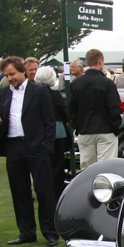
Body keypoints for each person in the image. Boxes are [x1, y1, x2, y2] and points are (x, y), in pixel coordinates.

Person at [0, 56, 57, 246]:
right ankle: (26, 232)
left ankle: (50, 232)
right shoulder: (4, 92)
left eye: (12, 74)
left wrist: (46, 145)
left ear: (22, 71)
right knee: (19, 191)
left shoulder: (39, 91)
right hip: (13, 146)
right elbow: (5, 115)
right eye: (6, 75)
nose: (10, 78)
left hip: (36, 146)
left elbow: (50, 120)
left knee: (44, 192)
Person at [69, 48, 122, 168]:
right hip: (106, 130)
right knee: (106, 166)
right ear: (100, 61)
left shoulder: (76, 84)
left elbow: (72, 108)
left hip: (85, 129)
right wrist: (115, 127)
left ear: (87, 62)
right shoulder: (107, 83)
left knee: (87, 167)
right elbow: (114, 108)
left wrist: (77, 127)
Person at [33, 66, 72, 198]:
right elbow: (64, 114)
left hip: (39, 132)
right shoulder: (55, 95)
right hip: (57, 132)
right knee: (57, 164)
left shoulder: (33, 94)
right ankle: (56, 191)